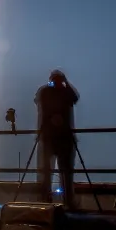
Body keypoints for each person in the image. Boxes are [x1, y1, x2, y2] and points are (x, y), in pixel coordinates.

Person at [34, 69, 79, 207]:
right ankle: (53, 200)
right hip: (55, 137)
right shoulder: (47, 92)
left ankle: (58, 200)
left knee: (60, 171)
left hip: (57, 137)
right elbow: (74, 98)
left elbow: (75, 98)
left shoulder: (53, 92)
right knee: (51, 171)